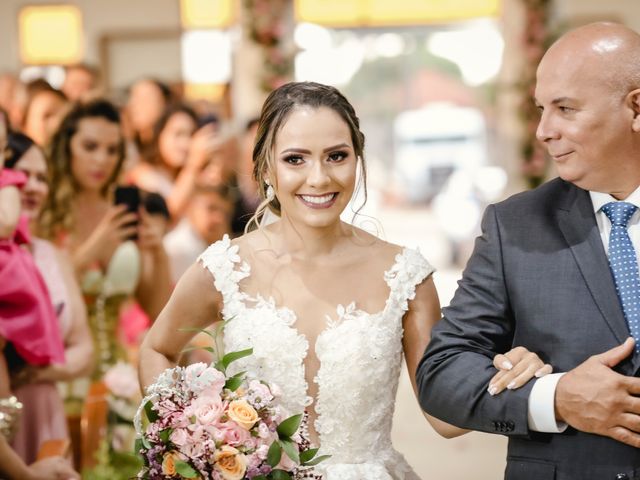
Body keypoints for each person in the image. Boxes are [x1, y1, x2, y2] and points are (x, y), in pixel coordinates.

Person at [138, 81, 551, 479]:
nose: (319, 178)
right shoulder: (226, 267)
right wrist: (190, 433)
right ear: (266, 166)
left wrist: (511, 376)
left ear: (358, 159)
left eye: (336, 156)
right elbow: (157, 348)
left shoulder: (404, 276)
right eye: (295, 159)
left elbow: (442, 415)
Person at [417, 22, 640, 480]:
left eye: (565, 109)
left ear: (636, 108)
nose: (543, 131)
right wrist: (555, 397)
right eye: (541, 108)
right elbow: (441, 375)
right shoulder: (515, 226)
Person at [40, 99, 172, 385]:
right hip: (62, 367)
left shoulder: (121, 212)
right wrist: (91, 252)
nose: (102, 159)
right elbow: (38, 301)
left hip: (118, 374)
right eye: (90, 146)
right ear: (66, 147)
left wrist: (157, 252)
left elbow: (155, 310)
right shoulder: (44, 211)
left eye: (112, 150)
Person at [5, 131, 93, 463]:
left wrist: (39, 372)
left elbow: (84, 350)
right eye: (24, 174)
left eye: (43, 178)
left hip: (44, 407)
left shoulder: (52, 256)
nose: (35, 187)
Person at [128, 103, 221, 219]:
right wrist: (193, 165)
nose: (185, 143)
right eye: (178, 134)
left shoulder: (190, 177)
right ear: (159, 135)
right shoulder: (143, 174)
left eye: (191, 135)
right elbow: (167, 214)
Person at [163, 183, 233, 283]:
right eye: (211, 208)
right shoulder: (178, 248)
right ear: (189, 208)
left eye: (225, 213)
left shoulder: (209, 245)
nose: (219, 219)